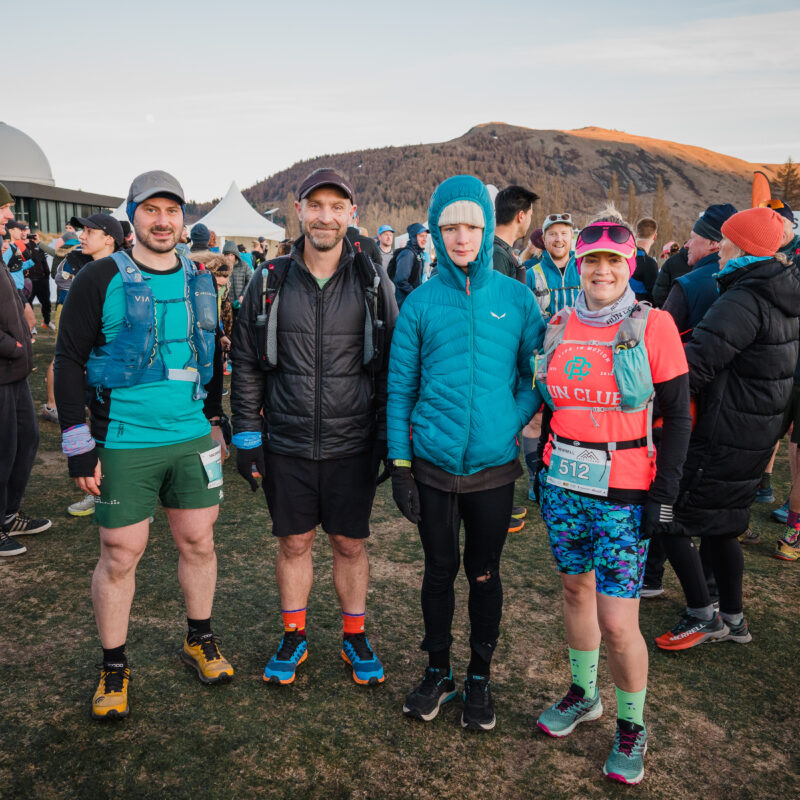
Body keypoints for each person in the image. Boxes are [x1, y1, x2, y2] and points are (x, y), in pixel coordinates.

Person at [54, 170, 233, 720]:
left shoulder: (200, 279)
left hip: (191, 438)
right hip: (123, 440)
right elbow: (68, 360)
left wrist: (215, 419)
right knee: (119, 553)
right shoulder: (99, 277)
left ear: (183, 219)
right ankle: (114, 665)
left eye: (171, 211)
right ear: (132, 216)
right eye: (151, 210)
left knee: (199, 542)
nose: (162, 221)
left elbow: (210, 352)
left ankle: (199, 638)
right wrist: (78, 444)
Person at [534, 209, 691, 785]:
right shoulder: (559, 322)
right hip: (564, 485)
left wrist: (664, 493)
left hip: (625, 492)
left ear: (629, 264)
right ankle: (584, 694)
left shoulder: (654, 325)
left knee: (619, 621)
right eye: (592, 261)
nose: (602, 271)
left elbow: (678, 417)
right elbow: (551, 404)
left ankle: (632, 724)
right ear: (579, 265)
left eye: (613, 261)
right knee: (575, 590)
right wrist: (542, 466)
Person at [387, 175, 544, 732]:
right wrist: (400, 466)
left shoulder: (517, 299)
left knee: (483, 573)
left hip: (493, 470)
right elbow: (400, 390)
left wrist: (510, 418)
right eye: (450, 227)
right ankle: (439, 671)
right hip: (432, 468)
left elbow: (535, 374)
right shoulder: (420, 303)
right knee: (438, 572)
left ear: (486, 227)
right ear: (436, 231)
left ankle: (479, 676)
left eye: (472, 227)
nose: (461, 238)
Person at [231, 167, 397, 687]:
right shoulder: (269, 279)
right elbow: (246, 362)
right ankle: (294, 634)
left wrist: (388, 436)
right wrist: (246, 435)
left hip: (353, 442)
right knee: (294, 543)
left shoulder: (373, 281)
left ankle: (354, 635)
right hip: (287, 440)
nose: (326, 216)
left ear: (352, 213)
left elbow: (391, 365)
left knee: (349, 544)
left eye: (336, 206)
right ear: (299, 210)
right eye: (316, 205)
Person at [654, 207, 799, 647]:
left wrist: (652, 396)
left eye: (727, 243)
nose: (720, 251)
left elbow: (697, 363)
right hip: (755, 431)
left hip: (724, 429)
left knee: (670, 517)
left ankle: (703, 615)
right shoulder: (780, 290)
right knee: (722, 525)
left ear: (742, 248)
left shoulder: (744, 298)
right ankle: (733, 618)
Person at [0, 183, 52, 558]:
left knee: (26, 440)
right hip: (3, 367)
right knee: (3, 448)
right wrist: (12, 346)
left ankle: (8, 514)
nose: (8, 215)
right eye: (3, 208)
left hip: (14, 371)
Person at [662, 204, 738, 340]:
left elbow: (660, 338)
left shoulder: (687, 284)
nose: (686, 245)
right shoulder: (748, 278)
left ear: (713, 243)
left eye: (693, 238)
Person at [525, 213, 580, 320]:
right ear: (544, 239)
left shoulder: (584, 270)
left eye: (564, 233)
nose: (559, 239)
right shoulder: (531, 276)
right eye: (552, 234)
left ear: (571, 236)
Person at [493, 185, 538, 282]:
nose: (530, 221)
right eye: (530, 215)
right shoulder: (498, 255)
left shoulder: (501, 250)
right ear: (521, 216)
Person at [392, 223, 428, 308]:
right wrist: (416, 294)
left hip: (412, 301)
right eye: (421, 236)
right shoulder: (408, 254)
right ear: (413, 237)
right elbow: (401, 281)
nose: (425, 239)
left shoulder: (418, 253)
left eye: (426, 236)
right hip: (404, 302)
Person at [23, 230, 53, 331]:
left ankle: (47, 321)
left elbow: (44, 259)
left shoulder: (36, 244)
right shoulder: (18, 246)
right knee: (28, 303)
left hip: (42, 278)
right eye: (23, 230)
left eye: (27, 231)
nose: (25, 233)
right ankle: (31, 324)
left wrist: (47, 274)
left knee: (46, 303)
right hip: (28, 280)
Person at [629, 217, 658, 304]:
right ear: (655, 236)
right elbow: (655, 296)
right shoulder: (649, 264)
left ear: (636, 235)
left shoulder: (624, 257)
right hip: (640, 309)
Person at [651, 243, 689, 307]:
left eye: (664, 256)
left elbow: (658, 293)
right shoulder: (691, 260)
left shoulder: (667, 265)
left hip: (669, 305)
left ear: (666, 255)